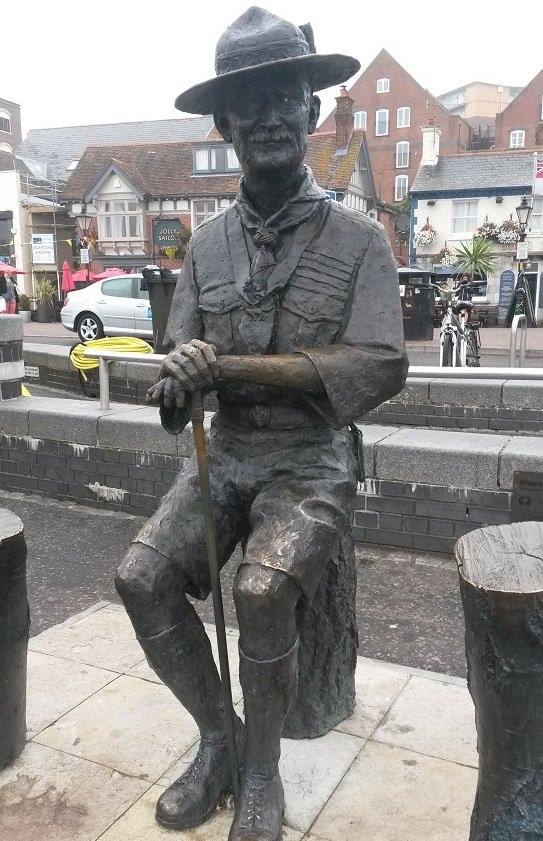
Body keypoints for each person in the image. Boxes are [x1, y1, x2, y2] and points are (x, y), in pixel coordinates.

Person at [114, 8, 408, 841]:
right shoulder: (205, 247)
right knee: (140, 578)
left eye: (287, 97)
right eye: (252, 103)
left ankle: (266, 775)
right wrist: (176, 389)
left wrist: (229, 369)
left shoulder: (358, 241)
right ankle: (221, 741)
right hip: (228, 454)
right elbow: (183, 379)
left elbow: (377, 366)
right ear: (225, 123)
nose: (271, 116)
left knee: (263, 588)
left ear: (312, 112)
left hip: (309, 464)